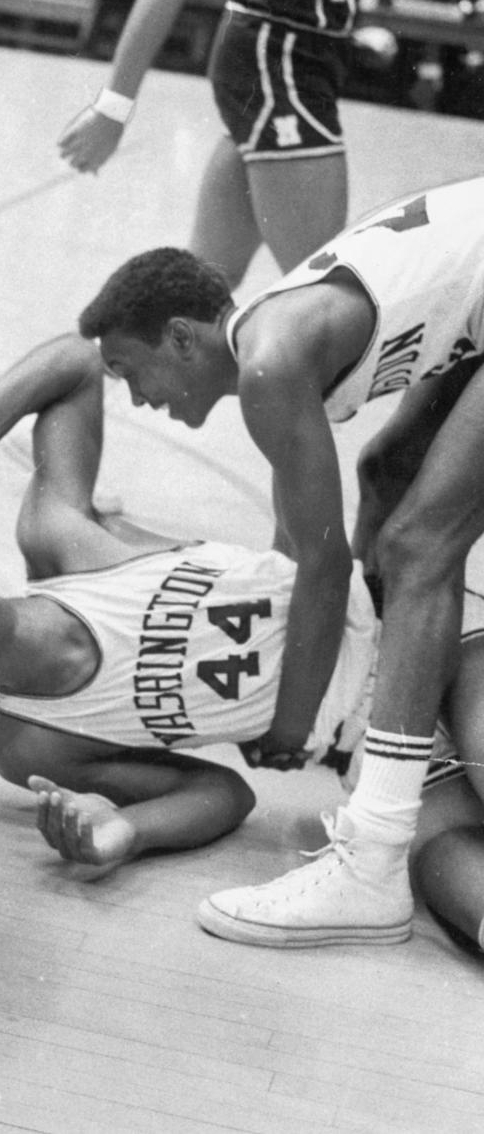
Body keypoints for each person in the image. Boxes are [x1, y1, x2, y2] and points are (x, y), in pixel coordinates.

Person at [76, 172, 484, 946]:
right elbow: (303, 542)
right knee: (389, 481)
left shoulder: (268, 365)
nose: (137, 400)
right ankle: (399, 713)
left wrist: (290, 727)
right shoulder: (281, 326)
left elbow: (323, 571)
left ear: (182, 338)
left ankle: (371, 862)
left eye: (130, 371)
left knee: (420, 547)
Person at [0, 332, 380, 866]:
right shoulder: (29, 746)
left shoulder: (60, 540)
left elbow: (80, 361)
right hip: (361, 736)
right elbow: (226, 794)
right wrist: (131, 828)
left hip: (385, 611)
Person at [59, 0, 361, 288]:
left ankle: (122, 338)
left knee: (206, 284)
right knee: (326, 289)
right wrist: (113, 107)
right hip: (278, 59)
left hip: (304, 61)